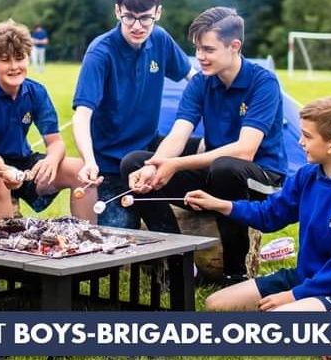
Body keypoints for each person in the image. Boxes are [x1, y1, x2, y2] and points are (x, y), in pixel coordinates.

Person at [120, 7, 286, 285]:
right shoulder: (201, 82)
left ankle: (235, 273)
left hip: (261, 179)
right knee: (134, 162)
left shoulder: (263, 82)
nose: (200, 56)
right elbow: (178, 134)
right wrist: (154, 166)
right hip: (216, 172)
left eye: (208, 49)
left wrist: (175, 164)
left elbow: (245, 151)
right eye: (197, 48)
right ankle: (177, 263)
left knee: (226, 168)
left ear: (234, 46)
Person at [188, 96, 331, 311]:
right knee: (216, 304)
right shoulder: (307, 175)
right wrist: (219, 204)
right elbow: (269, 215)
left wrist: (292, 296)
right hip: (303, 278)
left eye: (307, 136)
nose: (300, 141)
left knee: (279, 318)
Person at [72, 0, 196, 228]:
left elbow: (194, 78)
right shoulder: (100, 52)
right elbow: (82, 115)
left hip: (150, 153)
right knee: (121, 237)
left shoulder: (160, 39)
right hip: (110, 165)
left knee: (209, 154)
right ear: (117, 11)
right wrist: (89, 161)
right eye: (129, 17)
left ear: (158, 12)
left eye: (146, 18)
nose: (137, 26)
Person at [0, 20, 97, 222]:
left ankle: (88, 235)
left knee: (79, 170)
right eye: (5, 60)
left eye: (20, 58)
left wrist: (51, 160)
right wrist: (5, 171)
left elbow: (55, 142)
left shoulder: (36, 91)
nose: (14, 67)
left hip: (24, 162)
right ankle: (4, 239)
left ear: (28, 58)